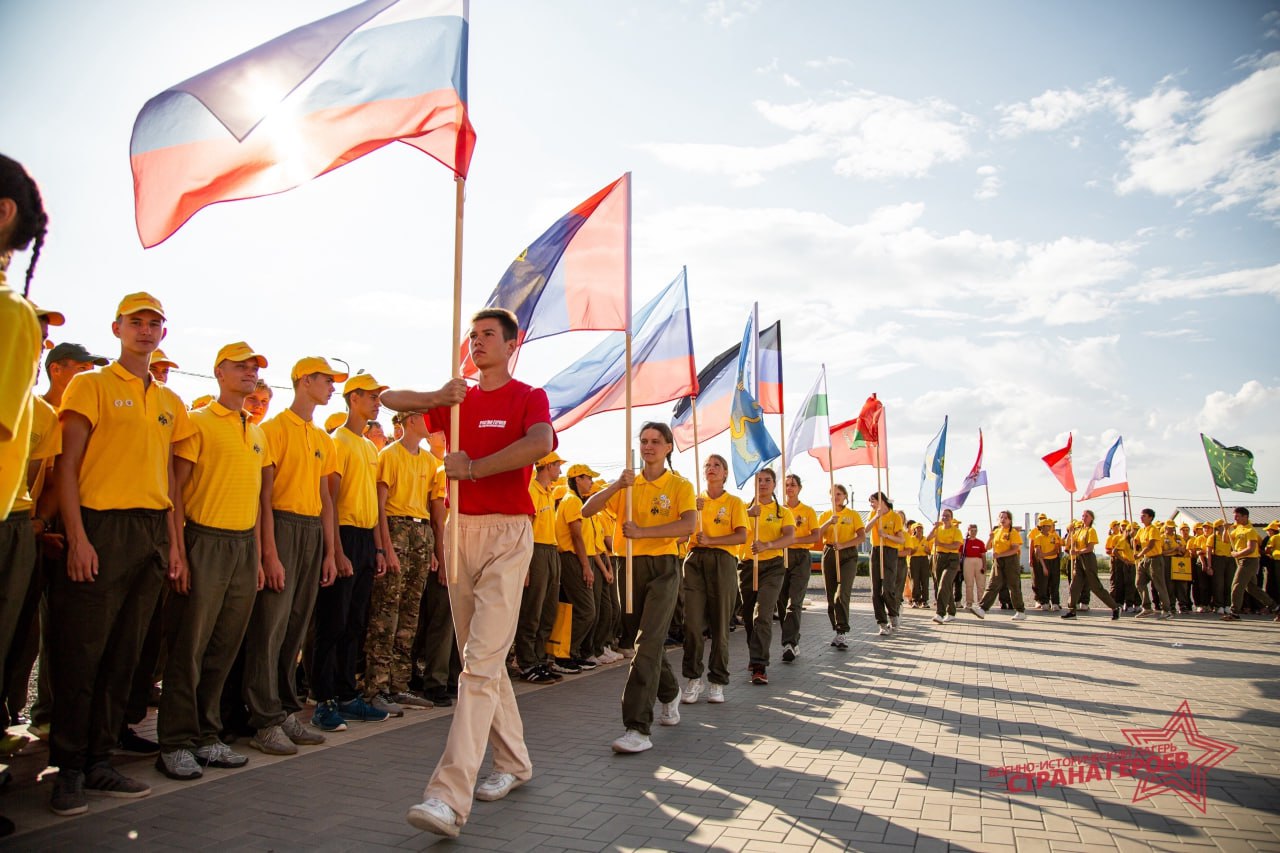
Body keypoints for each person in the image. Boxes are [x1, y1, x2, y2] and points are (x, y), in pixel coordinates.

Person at [383, 307, 549, 839]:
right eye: (472, 335)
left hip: (508, 532)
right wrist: (438, 398)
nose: (477, 343)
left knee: (477, 665)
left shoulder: (528, 396)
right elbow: (389, 400)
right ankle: (515, 763)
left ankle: (446, 796)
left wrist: (474, 468)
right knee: (484, 658)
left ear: (511, 343)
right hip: (460, 532)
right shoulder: (457, 401)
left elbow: (540, 443)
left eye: (487, 335)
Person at [50, 292, 195, 815]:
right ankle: (66, 768)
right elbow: (67, 466)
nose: (145, 330)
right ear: (116, 328)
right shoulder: (91, 385)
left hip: (151, 532)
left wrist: (174, 546)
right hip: (100, 526)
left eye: (154, 323)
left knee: (124, 656)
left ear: (164, 333)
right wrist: (78, 536)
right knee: (82, 652)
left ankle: (98, 760)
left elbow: (173, 486)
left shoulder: (170, 402)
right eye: (136, 322)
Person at [156, 342, 271, 780]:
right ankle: (175, 742)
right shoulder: (197, 422)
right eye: (240, 367)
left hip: (243, 546)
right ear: (219, 372)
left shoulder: (255, 430)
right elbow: (176, 492)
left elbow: (259, 502)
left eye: (254, 368)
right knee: (189, 647)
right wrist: (178, 550)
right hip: (204, 541)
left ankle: (207, 735)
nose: (250, 374)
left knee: (223, 647)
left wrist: (259, 557)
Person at [242, 356, 345, 756]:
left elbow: (326, 501)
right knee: (270, 626)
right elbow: (264, 496)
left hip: (310, 531)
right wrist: (268, 552)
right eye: (326, 380)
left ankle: (285, 708)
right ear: (304, 381)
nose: (332, 387)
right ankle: (263, 718)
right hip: (281, 527)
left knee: (296, 627)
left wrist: (330, 552)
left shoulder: (321, 439)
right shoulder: (272, 430)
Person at [583, 422, 694, 754]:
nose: (648, 446)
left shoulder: (679, 485)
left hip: (663, 567)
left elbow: (688, 525)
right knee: (641, 643)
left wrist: (643, 533)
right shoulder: (627, 484)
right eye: (644, 441)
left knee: (647, 644)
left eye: (656, 441)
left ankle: (637, 727)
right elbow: (586, 509)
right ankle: (670, 691)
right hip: (627, 565)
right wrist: (618, 484)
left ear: (668, 447)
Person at [312, 373, 393, 722]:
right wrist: (336, 551)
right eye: (371, 396)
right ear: (353, 398)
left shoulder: (366, 446)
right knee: (333, 621)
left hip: (364, 538)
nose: (377, 402)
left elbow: (373, 505)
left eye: (378, 396)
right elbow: (329, 498)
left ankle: (347, 693)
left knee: (355, 623)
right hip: (342, 535)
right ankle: (323, 698)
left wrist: (377, 549)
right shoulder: (338, 442)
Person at [363, 409, 445, 711]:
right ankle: (376, 687)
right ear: (409, 421)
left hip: (420, 532)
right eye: (425, 418)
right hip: (396, 528)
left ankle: (399, 684)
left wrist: (435, 551)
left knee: (410, 615)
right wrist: (385, 547)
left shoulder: (428, 461)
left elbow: (430, 508)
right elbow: (380, 507)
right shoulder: (389, 455)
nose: (431, 424)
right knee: (386, 613)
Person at [679, 454, 746, 703]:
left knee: (720, 624)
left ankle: (717, 681)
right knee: (693, 624)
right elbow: (683, 529)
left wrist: (714, 540)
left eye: (717, 465)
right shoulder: (695, 500)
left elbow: (741, 536)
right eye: (707, 465)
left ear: (725, 473)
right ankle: (693, 678)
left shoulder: (734, 502)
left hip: (723, 561)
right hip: (695, 560)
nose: (711, 469)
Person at [736, 468, 794, 685]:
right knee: (749, 615)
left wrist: (767, 545)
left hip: (773, 566)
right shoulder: (742, 508)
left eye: (767, 480)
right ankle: (755, 652)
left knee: (763, 614)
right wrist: (749, 514)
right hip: (748, 566)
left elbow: (789, 537)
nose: (763, 484)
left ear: (774, 483)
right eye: (759, 480)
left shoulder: (782, 512)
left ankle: (759, 665)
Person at [554, 462, 601, 672]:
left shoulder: (578, 501)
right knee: (586, 611)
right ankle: (563, 655)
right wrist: (586, 566)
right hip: (574, 558)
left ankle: (571, 653)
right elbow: (576, 536)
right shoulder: (572, 501)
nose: (590, 481)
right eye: (587, 477)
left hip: (582, 558)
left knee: (582, 610)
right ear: (577, 479)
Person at [815, 485, 864, 648]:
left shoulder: (853, 515)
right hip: (829, 553)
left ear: (845, 496)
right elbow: (817, 534)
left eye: (839, 494)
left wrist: (844, 545)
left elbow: (861, 537)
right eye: (833, 494)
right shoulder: (825, 515)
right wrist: (830, 522)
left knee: (842, 593)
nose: (836, 497)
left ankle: (843, 631)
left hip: (848, 554)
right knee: (830, 595)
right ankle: (837, 630)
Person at [778, 474, 819, 662]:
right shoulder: (779, 510)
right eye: (786, 485)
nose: (789, 488)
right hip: (781, 556)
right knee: (780, 601)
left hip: (801, 556)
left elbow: (814, 536)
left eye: (793, 485)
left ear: (799, 488)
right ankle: (791, 637)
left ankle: (790, 643)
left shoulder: (808, 511)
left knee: (794, 602)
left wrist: (794, 539)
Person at [1059, 510, 1119, 621]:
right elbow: (1067, 545)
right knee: (1074, 585)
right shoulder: (1079, 530)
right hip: (1078, 560)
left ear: (1091, 518)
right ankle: (1072, 610)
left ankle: (1114, 607)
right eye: (1082, 516)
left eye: (1086, 516)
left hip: (1088, 559)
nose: (1084, 518)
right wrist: (1071, 532)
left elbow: (1090, 548)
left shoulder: (1091, 531)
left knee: (1096, 587)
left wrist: (1078, 552)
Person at [971, 511, 1026, 621]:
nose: (1003, 519)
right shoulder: (996, 532)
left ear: (1010, 520)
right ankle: (982, 608)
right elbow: (986, 548)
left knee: (1013, 585)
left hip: (1010, 560)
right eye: (1001, 517)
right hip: (998, 561)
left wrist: (1000, 554)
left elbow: (1015, 549)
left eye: (1005, 517)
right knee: (993, 584)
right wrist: (990, 538)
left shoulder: (1013, 532)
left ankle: (1020, 610)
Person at [1224, 507, 1277, 621]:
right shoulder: (1238, 529)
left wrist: (1237, 554)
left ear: (1245, 517)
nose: (1235, 518)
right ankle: (1276, 608)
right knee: (1252, 588)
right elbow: (1226, 540)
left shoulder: (1250, 531)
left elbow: (1251, 548)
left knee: (1236, 586)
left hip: (1248, 560)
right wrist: (1225, 529)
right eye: (1234, 516)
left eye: (1237, 516)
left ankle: (1234, 613)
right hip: (1242, 560)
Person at [866, 492, 903, 636]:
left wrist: (886, 535)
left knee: (887, 588)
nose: (872, 505)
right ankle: (882, 623)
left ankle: (893, 614)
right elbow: (866, 529)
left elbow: (901, 540)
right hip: (876, 550)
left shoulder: (895, 517)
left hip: (890, 552)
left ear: (882, 501)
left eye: (873, 501)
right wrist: (876, 516)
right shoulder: (873, 514)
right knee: (875, 590)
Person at [1133, 508, 1171, 619]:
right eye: (1141, 515)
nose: (1141, 517)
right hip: (1145, 559)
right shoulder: (1141, 530)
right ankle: (1147, 607)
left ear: (1150, 517)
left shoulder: (1153, 530)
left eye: (1144, 515)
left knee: (1159, 584)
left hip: (1155, 559)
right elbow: (1137, 542)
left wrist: (1139, 555)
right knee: (1139, 582)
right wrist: (1132, 538)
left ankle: (1166, 609)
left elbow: (1150, 545)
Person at [927, 508, 963, 624]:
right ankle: (951, 612)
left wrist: (941, 544)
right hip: (939, 557)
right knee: (941, 585)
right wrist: (934, 527)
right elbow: (928, 538)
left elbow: (956, 545)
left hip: (951, 558)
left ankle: (940, 613)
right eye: (943, 516)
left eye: (947, 516)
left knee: (944, 583)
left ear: (951, 518)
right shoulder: (938, 529)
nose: (944, 518)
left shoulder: (956, 531)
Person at [1030, 515, 1063, 612]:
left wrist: (1045, 554)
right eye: (1047, 526)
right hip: (1043, 562)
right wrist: (1044, 566)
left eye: (1050, 526)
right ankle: (1044, 602)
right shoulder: (1038, 537)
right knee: (1043, 583)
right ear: (1043, 527)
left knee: (1055, 582)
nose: (1050, 528)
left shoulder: (1053, 536)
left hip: (1054, 561)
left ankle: (1055, 603)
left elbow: (1055, 550)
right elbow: (1037, 552)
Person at [960, 523, 986, 610]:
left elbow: (983, 555)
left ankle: (981, 602)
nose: (973, 532)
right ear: (968, 531)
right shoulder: (964, 542)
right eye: (972, 531)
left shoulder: (980, 542)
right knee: (969, 583)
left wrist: (984, 566)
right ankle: (969, 602)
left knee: (981, 584)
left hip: (979, 562)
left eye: (975, 531)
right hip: (967, 561)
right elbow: (959, 554)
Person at [906, 522, 930, 608]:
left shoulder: (926, 539)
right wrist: (914, 550)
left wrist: (927, 550)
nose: (919, 530)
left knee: (925, 581)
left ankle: (925, 601)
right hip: (914, 560)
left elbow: (929, 552)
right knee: (915, 581)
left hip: (924, 560)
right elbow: (909, 552)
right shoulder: (911, 539)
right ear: (914, 530)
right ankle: (915, 600)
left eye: (921, 528)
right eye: (917, 528)